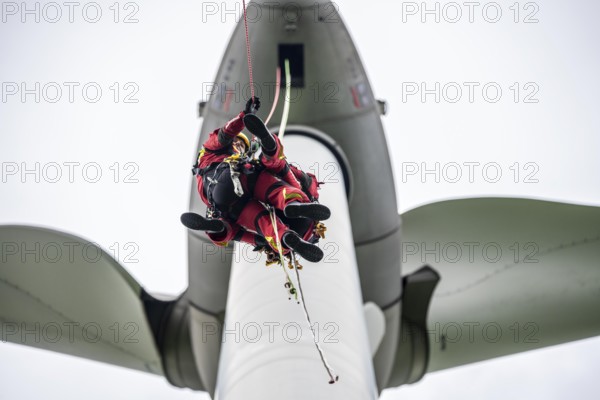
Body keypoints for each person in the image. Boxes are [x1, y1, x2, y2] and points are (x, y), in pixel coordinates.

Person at [181, 97, 330, 263]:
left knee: (263, 223)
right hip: (235, 177)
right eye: (237, 143)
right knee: (277, 188)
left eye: (242, 146)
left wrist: (260, 241)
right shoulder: (210, 152)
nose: (238, 147)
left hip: (230, 202)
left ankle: (286, 235)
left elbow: (239, 234)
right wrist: (244, 115)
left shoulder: (206, 172)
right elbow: (225, 134)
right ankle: (291, 202)